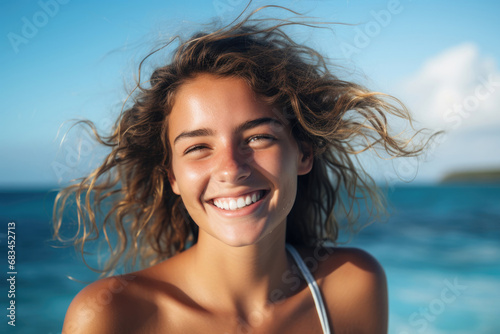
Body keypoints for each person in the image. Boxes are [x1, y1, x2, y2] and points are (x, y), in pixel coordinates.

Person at [54, 6, 425, 334]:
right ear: (172, 177)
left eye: (258, 138)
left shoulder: (352, 286)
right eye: (198, 147)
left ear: (304, 154)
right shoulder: (110, 316)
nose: (231, 169)